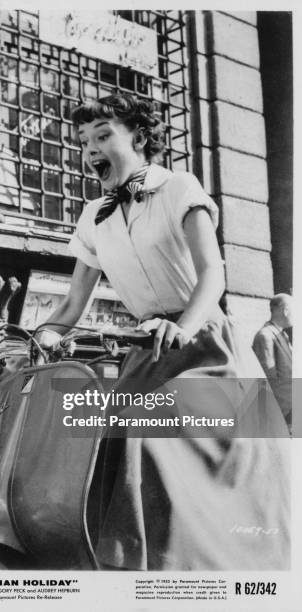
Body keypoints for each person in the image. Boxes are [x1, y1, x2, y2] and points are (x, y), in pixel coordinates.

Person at [36, 93, 289, 570]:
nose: (91, 149)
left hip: (204, 344)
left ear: (140, 136)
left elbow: (212, 273)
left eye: (104, 135)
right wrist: (36, 338)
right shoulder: (93, 216)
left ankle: (183, 565)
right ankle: (119, 565)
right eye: (84, 141)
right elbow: (72, 303)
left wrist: (182, 326)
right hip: (145, 350)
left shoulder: (179, 188)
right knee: (95, 435)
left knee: (148, 434)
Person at [252, 294, 292, 426]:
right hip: (283, 412)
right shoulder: (265, 336)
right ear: (286, 311)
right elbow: (268, 381)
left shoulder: (283, 335)